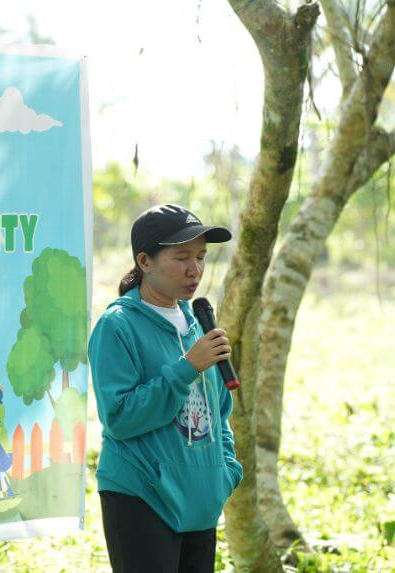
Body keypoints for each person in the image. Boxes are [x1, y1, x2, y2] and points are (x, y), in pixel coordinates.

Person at [88, 204, 243, 572]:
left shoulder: (198, 324)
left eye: (202, 257)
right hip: (142, 497)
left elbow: (218, 411)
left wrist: (226, 471)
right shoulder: (117, 326)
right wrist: (186, 368)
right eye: (182, 257)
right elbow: (120, 418)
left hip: (201, 497)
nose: (196, 270)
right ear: (145, 261)